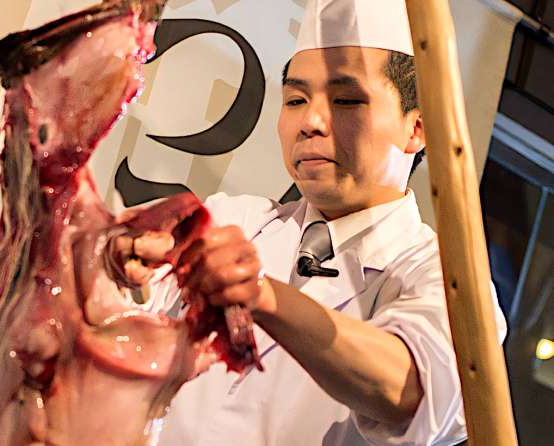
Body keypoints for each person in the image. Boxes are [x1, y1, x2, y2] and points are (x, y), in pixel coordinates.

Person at [121, 0, 507, 444]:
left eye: (346, 100)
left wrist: (262, 295)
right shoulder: (233, 220)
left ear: (417, 128)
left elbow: (410, 389)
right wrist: (126, 267)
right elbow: (130, 311)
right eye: (296, 100)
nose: (310, 122)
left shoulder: (443, 279)